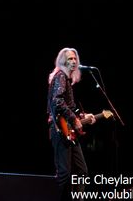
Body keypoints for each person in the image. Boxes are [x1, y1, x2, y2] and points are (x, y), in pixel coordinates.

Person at [47, 47, 96, 200]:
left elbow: (69, 107)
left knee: (82, 171)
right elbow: (57, 101)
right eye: (70, 59)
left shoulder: (67, 81)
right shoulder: (60, 76)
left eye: (75, 59)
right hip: (59, 130)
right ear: (63, 61)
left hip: (69, 132)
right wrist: (74, 119)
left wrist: (83, 116)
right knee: (65, 174)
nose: (74, 62)